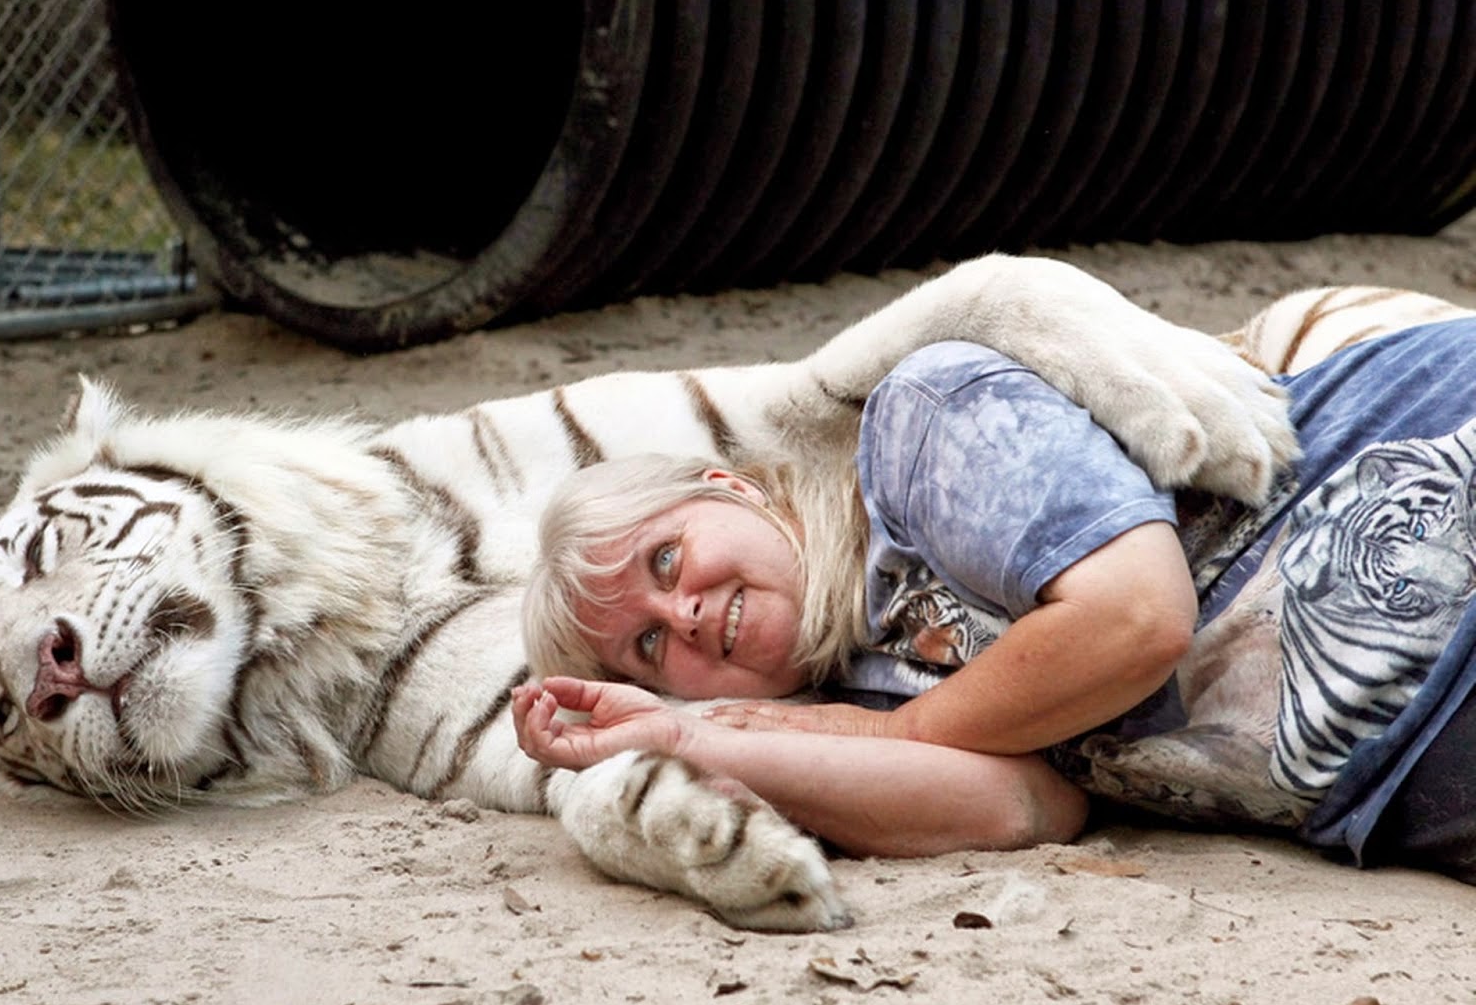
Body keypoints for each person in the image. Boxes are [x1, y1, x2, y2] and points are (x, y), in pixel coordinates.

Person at [513, 313, 1476, 880]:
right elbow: (1024, 808)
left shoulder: (921, 429)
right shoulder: (855, 695)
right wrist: (686, 739)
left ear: (727, 490)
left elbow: (1134, 616)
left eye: (666, 561)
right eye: (645, 647)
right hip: (1411, 769)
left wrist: (888, 738)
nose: (678, 615)